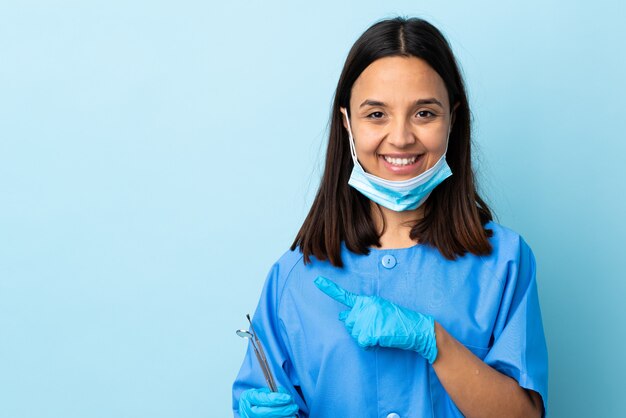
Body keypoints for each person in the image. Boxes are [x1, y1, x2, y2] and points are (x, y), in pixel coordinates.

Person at [232, 16, 548, 418]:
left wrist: (433, 340)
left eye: (424, 114)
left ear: (453, 118)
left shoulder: (504, 261)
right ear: (347, 122)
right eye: (376, 114)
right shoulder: (294, 277)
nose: (400, 138)